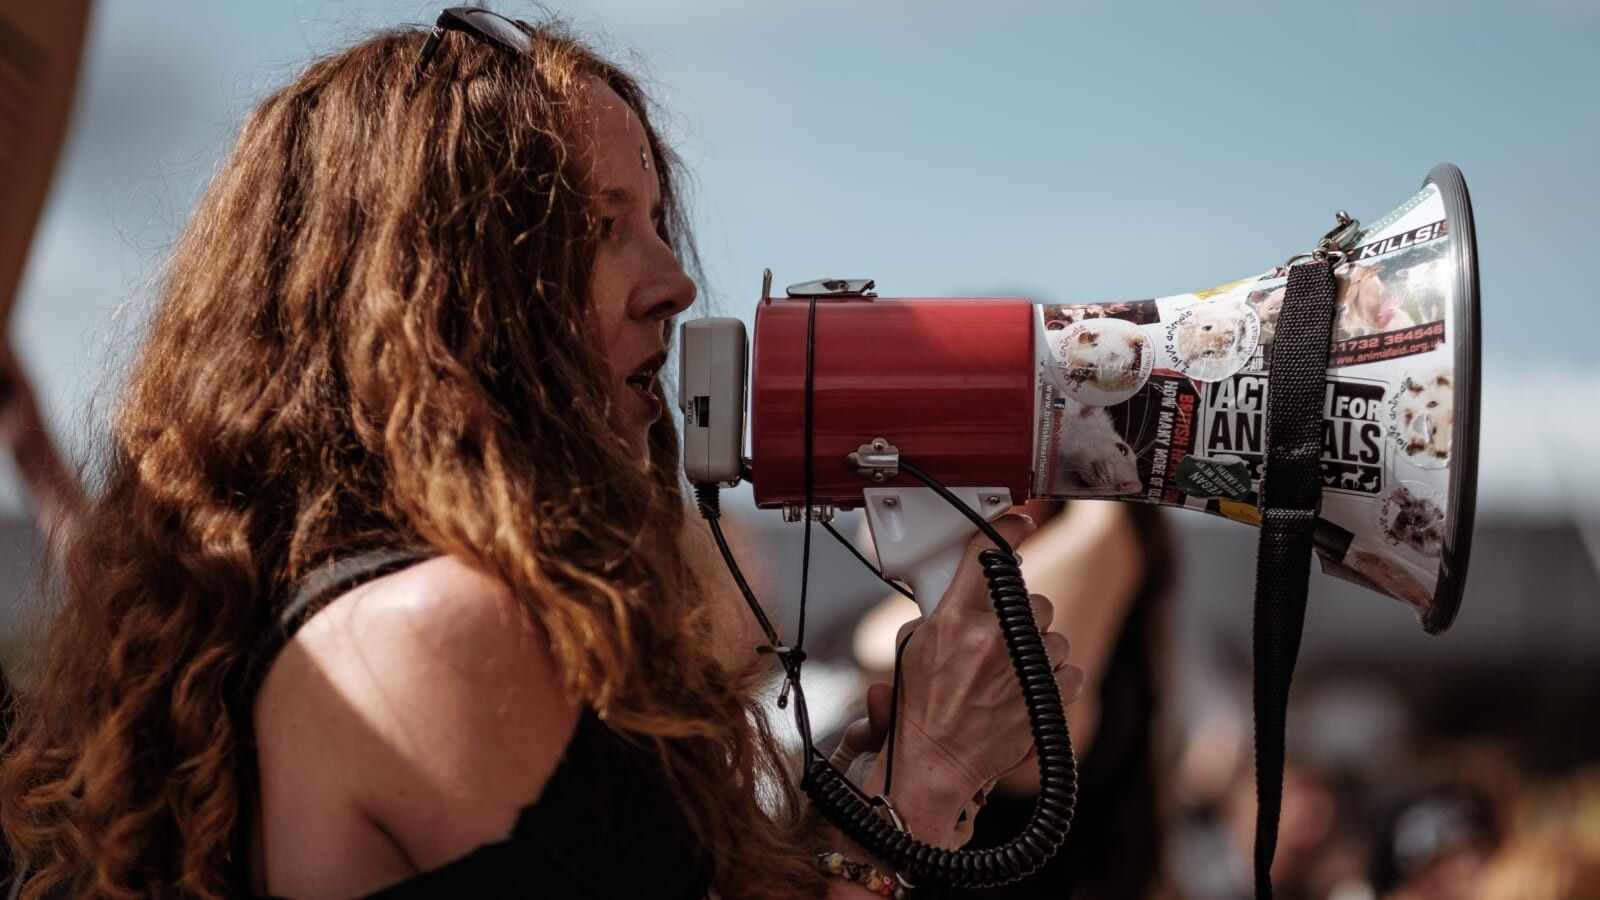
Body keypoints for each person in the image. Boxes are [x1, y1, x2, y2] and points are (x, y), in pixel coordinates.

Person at [0, 12, 1083, 899]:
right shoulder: (444, 636)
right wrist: (928, 782)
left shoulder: (340, 612)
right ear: (440, 294)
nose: (674, 280)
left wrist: (844, 812)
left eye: (657, 220)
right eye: (602, 224)